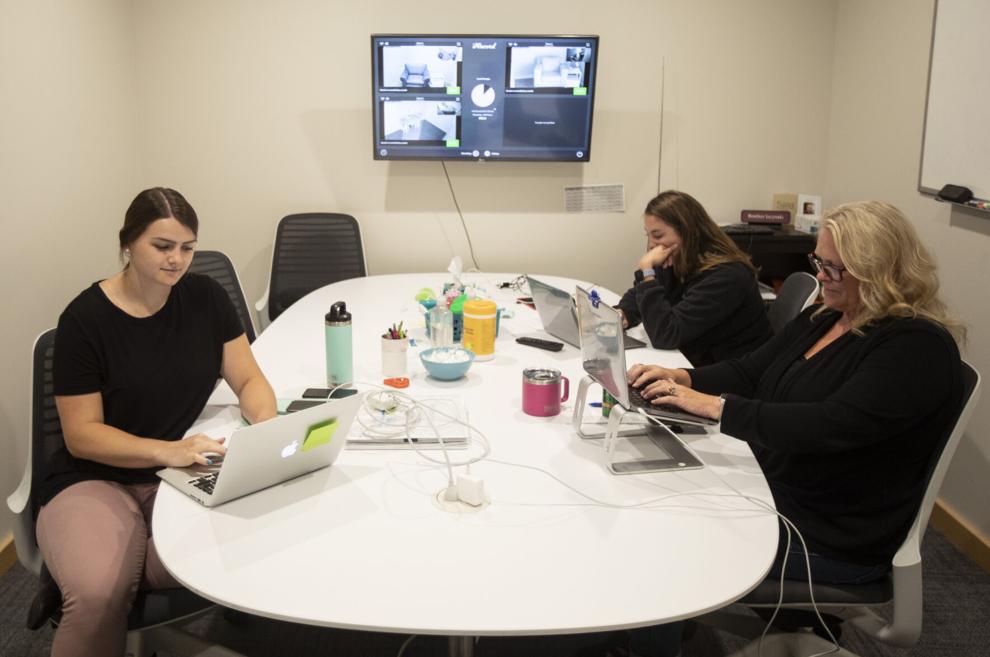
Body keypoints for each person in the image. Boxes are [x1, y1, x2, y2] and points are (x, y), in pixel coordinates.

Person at [627, 200, 964, 584]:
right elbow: (751, 369)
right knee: (653, 494)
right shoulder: (826, 317)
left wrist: (717, 407)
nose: (822, 277)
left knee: (661, 535)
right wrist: (685, 378)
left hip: (827, 528)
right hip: (778, 482)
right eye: (818, 262)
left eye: (835, 268)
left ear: (881, 271)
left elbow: (829, 425)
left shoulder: (915, 346)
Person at [38, 187, 278, 657]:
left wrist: (265, 429)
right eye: (162, 246)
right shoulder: (85, 319)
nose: (177, 260)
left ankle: (103, 564)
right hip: (97, 476)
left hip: (180, 470)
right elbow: (82, 435)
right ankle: (93, 576)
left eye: (187, 248)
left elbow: (249, 378)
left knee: (268, 529)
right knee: (97, 595)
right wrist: (165, 450)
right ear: (128, 243)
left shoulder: (206, 297)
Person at [616, 190, 772, 366]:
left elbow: (666, 335)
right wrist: (622, 315)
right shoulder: (677, 260)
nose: (651, 244)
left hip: (727, 374)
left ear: (686, 232)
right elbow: (639, 295)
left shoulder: (727, 275)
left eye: (658, 235)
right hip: (694, 361)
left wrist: (647, 270)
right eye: (648, 235)